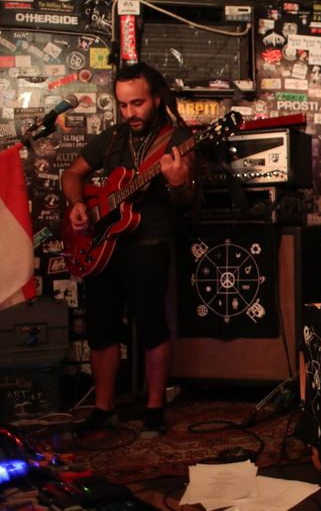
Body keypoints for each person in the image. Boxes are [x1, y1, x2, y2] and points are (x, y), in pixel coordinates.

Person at [61, 62, 197, 438]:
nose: (130, 113)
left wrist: (177, 183)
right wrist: (77, 204)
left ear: (157, 99)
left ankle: (155, 409)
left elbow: (186, 201)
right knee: (101, 328)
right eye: (123, 105)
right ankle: (103, 408)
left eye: (137, 103)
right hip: (104, 247)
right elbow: (71, 174)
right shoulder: (111, 139)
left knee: (152, 326)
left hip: (149, 244)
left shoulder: (178, 140)